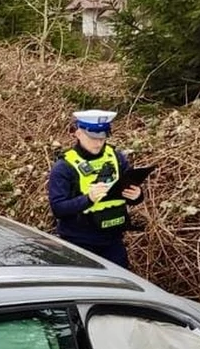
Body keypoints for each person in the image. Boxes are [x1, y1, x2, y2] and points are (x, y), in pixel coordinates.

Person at [47, 109, 144, 268]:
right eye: (93, 138)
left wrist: (137, 195)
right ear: (78, 133)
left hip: (113, 241)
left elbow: (129, 188)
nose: (99, 143)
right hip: (79, 244)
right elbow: (58, 208)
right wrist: (88, 199)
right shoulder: (64, 167)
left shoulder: (116, 157)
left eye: (103, 137)